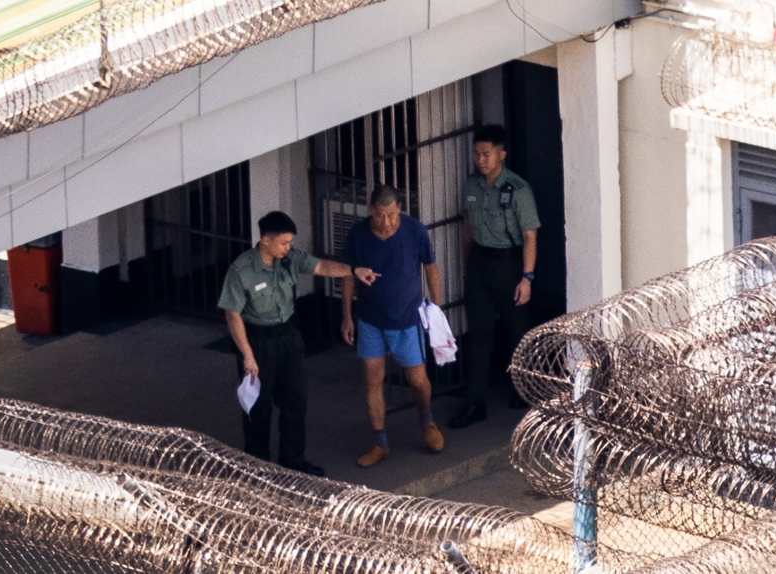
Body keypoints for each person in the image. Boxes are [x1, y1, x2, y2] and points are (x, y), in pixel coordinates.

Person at [219, 210, 379, 476]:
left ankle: (293, 460)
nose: (288, 247)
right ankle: (257, 467)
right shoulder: (242, 270)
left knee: (295, 401)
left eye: (290, 243)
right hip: (258, 339)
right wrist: (247, 355)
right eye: (283, 243)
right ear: (266, 241)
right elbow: (232, 314)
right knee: (258, 407)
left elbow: (321, 266)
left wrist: (352, 270)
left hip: (288, 336)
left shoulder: (290, 259)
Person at [340, 185, 445, 468]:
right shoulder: (358, 234)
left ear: (399, 209)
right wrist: (347, 316)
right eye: (379, 216)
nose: (385, 222)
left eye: (391, 215)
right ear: (370, 211)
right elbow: (348, 276)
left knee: (418, 381)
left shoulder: (415, 231)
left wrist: (436, 309)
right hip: (370, 320)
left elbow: (431, 268)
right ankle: (380, 443)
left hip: (406, 320)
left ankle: (427, 422)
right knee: (373, 381)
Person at [448, 124, 540, 429]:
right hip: (480, 263)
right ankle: (475, 401)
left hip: (508, 265)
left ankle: (526, 392)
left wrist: (526, 277)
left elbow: (529, 236)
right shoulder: (471, 186)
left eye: (486, 154)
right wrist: (466, 265)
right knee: (479, 333)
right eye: (476, 154)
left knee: (518, 331)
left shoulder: (518, 189)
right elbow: (467, 228)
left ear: (501, 154)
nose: (480, 159)